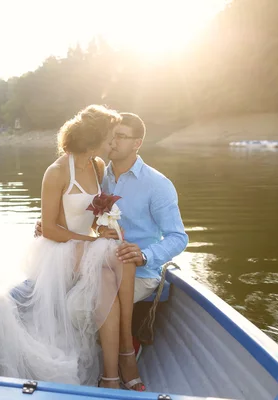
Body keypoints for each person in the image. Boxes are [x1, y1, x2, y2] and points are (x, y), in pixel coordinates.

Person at [0, 105, 141, 390]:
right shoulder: (58, 171)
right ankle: (125, 355)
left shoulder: (98, 167)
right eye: (111, 136)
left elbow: (93, 216)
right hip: (58, 250)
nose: (113, 142)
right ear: (95, 137)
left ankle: (113, 370)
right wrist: (94, 242)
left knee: (113, 270)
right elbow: (49, 228)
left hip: (84, 248)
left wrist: (102, 229)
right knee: (121, 255)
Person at [35, 112, 189, 391]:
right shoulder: (97, 171)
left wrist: (145, 255)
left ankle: (121, 355)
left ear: (137, 143)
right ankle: (121, 359)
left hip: (139, 270)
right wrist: (49, 222)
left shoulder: (157, 184)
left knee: (83, 308)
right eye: (111, 136)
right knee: (95, 291)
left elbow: (179, 237)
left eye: (121, 136)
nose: (113, 142)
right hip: (99, 262)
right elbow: (79, 212)